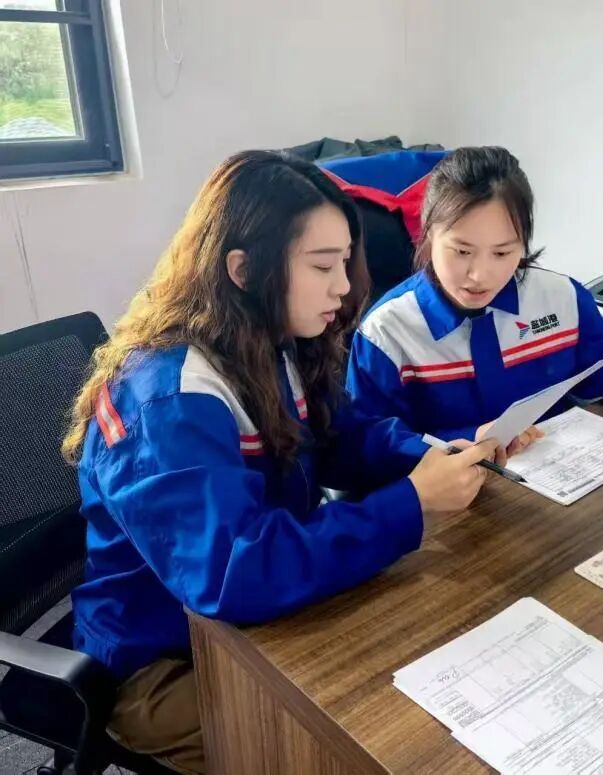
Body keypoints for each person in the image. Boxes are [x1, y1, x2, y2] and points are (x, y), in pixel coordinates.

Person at [62, 150, 496, 774]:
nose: (343, 286)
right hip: (159, 659)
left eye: (344, 262)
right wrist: (411, 504)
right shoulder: (170, 399)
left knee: (425, 676)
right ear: (243, 269)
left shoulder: (267, 340)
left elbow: (336, 438)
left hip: (259, 619)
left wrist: (429, 455)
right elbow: (235, 572)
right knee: (344, 750)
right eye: (322, 265)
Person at [347, 146, 603, 466]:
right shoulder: (387, 332)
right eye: (462, 251)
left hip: (557, 479)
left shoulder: (560, 298)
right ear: (428, 233)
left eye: (502, 252)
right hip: (450, 497)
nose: (480, 275)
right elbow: (368, 444)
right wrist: (467, 440)